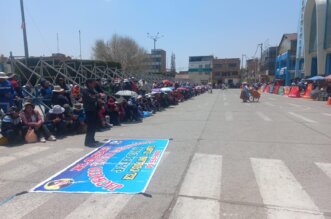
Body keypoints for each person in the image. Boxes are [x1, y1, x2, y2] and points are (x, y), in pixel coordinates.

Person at [82, 79, 104, 147]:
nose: (94, 85)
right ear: (89, 83)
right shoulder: (85, 90)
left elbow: (95, 96)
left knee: (94, 126)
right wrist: (99, 95)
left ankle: (92, 139)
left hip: (94, 109)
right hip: (89, 110)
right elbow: (91, 98)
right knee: (90, 126)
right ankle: (88, 142)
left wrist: (99, 96)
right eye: (93, 83)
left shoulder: (92, 89)